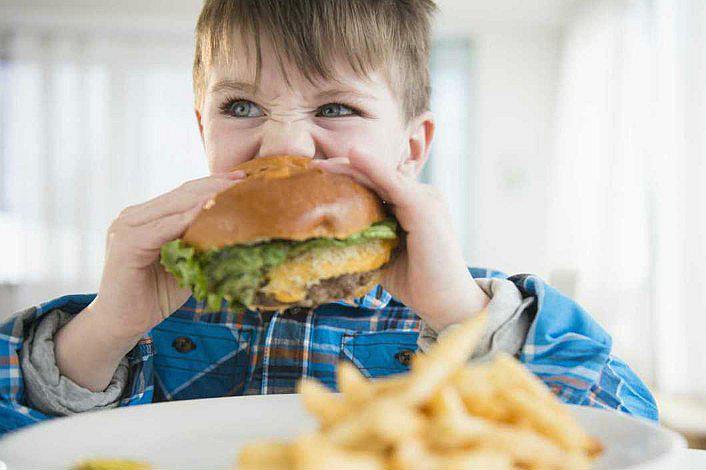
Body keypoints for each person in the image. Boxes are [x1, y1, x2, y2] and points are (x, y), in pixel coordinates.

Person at [0, 0, 657, 435]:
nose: (285, 146)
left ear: (411, 147)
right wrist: (102, 333)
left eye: (337, 109)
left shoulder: (472, 304)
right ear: (203, 129)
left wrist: (464, 320)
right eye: (241, 107)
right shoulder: (145, 315)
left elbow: (625, 431)